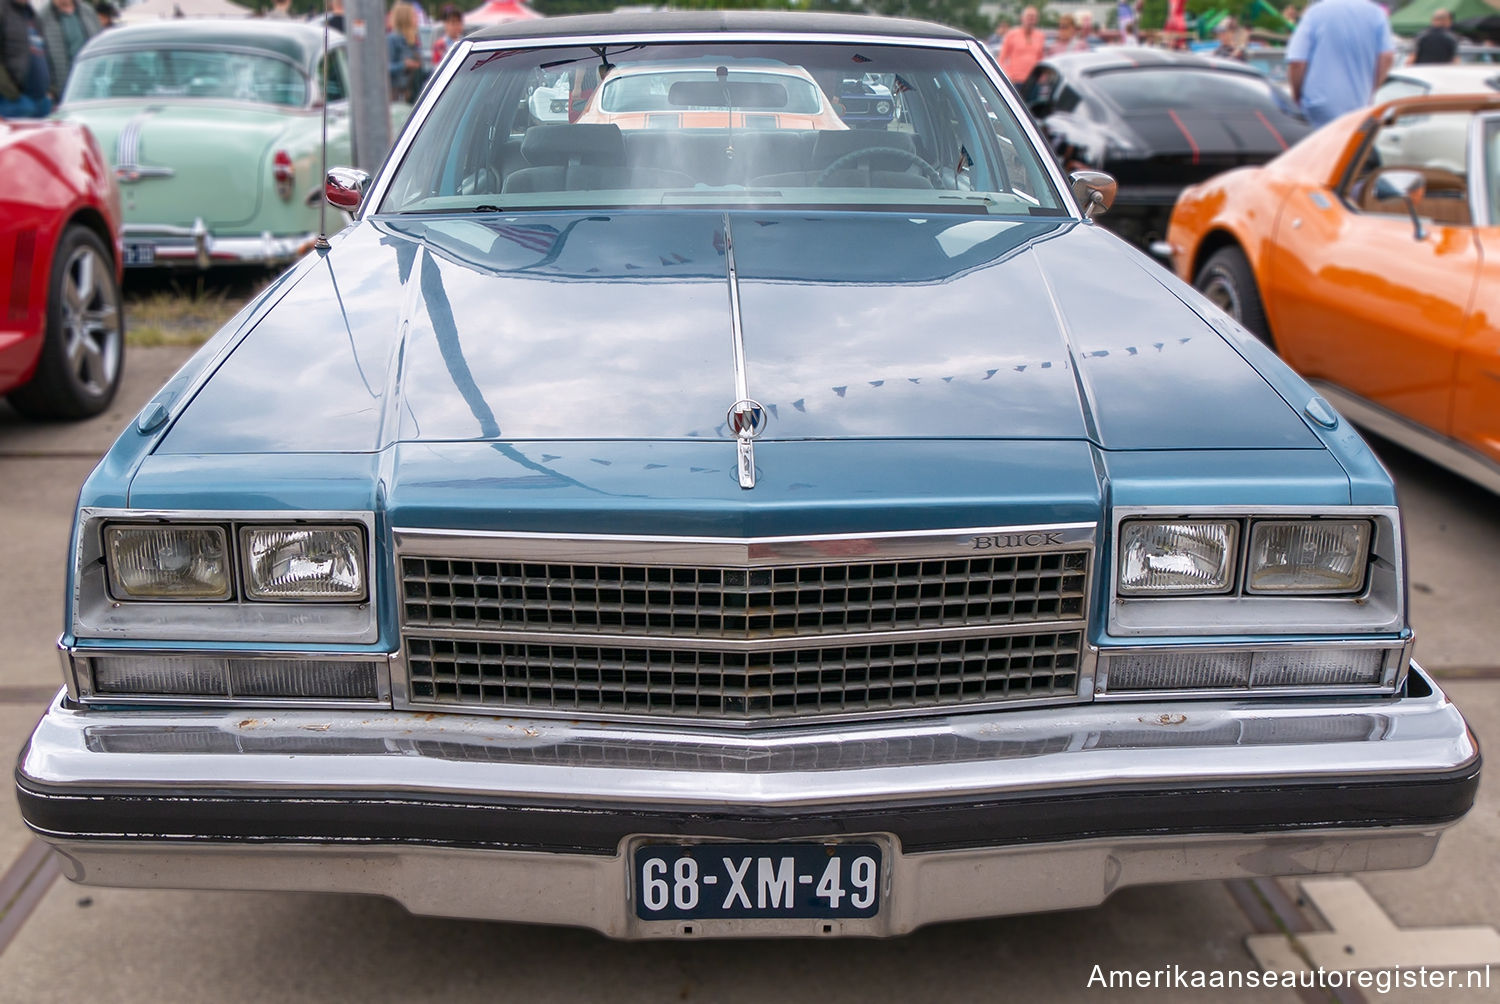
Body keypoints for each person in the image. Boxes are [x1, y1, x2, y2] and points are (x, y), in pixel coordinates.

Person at [1285, 0, 1394, 127]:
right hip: (1358, 106)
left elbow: (1297, 62)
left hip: (1317, 108)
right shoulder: (1376, 14)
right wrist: (1372, 89)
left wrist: (1297, 96)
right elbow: (1387, 57)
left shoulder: (1315, 13)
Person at [37, 0, 98, 100]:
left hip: (93, 86)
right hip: (63, 91)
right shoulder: (42, 17)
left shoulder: (87, 11)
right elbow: (40, 59)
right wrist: (51, 89)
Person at [0, 0, 51, 117]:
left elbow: (44, 52)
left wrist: (50, 89)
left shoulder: (33, 15)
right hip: (14, 103)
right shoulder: (3, 11)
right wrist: (12, 94)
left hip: (41, 102)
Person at [997, 6, 1045, 82]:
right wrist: (1008, 75)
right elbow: (1001, 59)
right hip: (1016, 80)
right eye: (1029, 17)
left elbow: (1040, 58)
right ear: (1022, 18)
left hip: (1034, 80)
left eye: (1033, 17)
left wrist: (1042, 76)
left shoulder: (1040, 36)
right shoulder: (1011, 34)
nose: (1031, 20)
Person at [387, 1, 422, 102]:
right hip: (398, 96)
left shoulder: (413, 41)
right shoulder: (392, 39)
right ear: (405, 18)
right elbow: (385, 69)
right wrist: (404, 65)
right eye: (414, 16)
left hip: (414, 96)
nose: (417, 19)